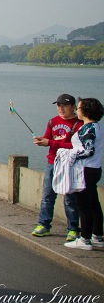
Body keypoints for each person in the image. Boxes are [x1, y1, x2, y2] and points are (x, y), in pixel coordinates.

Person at [31, 94, 82, 240]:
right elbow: (49, 139)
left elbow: (75, 146)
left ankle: (73, 229)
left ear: (73, 107)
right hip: (52, 163)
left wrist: (50, 143)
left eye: (64, 106)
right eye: (58, 105)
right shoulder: (52, 121)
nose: (61, 109)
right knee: (47, 196)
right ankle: (43, 225)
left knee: (70, 199)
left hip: (70, 166)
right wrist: (42, 140)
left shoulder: (79, 124)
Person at [63, 97, 104, 251]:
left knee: (84, 206)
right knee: (94, 205)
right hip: (94, 169)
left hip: (84, 171)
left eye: (78, 108)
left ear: (85, 110)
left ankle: (84, 240)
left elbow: (88, 150)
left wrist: (70, 155)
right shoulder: (98, 127)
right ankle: (97, 236)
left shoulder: (87, 129)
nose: (76, 110)